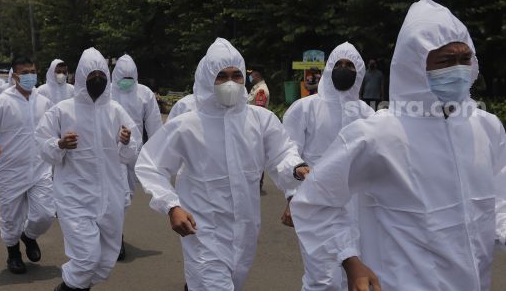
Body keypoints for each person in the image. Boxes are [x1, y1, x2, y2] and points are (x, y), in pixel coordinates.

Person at [291, 0, 506, 291]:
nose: (458, 70)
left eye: (464, 59)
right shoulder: (379, 134)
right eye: (445, 61)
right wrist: (350, 261)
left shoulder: (485, 128)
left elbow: (498, 201)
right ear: (416, 64)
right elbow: (315, 202)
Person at [135, 38, 307, 291]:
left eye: (236, 75)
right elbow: (151, 165)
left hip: (245, 232)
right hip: (202, 231)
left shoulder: (261, 120)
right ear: (206, 79)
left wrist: (295, 169)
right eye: (221, 76)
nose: (230, 82)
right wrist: (171, 206)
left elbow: (282, 152)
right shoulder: (187, 124)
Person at [35, 47, 140, 291]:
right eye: (91, 77)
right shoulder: (62, 111)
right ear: (81, 78)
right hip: (75, 196)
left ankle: (75, 287)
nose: (97, 82)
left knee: (105, 262)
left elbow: (130, 154)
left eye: (101, 76)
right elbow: (42, 145)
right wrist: (59, 144)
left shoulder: (116, 111)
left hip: (110, 196)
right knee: (86, 259)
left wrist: (125, 142)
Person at [281, 42, 374, 291]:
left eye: (350, 66)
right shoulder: (305, 108)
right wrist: (292, 196)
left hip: (358, 207)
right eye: (339, 65)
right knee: (322, 278)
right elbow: (287, 151)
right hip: (316, 204)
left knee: (353, 276)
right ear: (329, 68)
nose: (344, 70)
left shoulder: (367, 114)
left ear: (360, 72)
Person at [0, 56, 56, 274]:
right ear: (15, 75)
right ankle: (13, 253)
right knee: (10, 217)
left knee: (46, 213)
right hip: (10, 169)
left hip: (40, 168)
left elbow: (55, 127)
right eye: (25, 72)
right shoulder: (1, 101)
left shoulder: (43, 101)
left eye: (33, 71)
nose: (30, 76)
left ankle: (29, 236)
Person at [110, 54, 163, 259]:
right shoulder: (107, 91)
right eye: (123, 77)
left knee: (127, 194)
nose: (126, 82)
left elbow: (154, 125)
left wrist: (158, 156)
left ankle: (111, 231)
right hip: (111, 152)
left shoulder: (144, 93)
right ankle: (116, 238)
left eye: (130, 78)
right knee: (120, 196)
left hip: (135, 153)